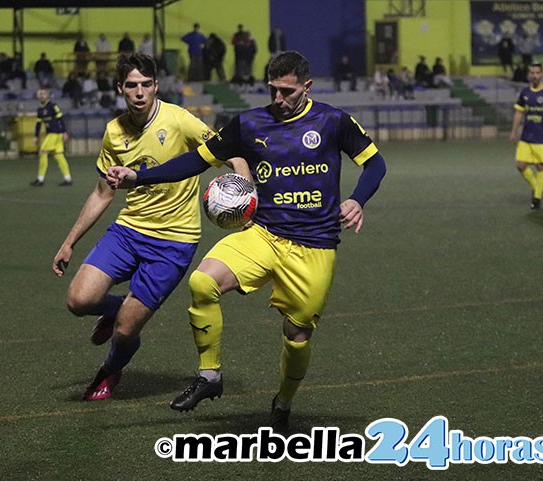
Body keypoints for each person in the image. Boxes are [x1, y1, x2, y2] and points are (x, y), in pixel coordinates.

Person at [107, 51, 387, 432]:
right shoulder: (250, 123)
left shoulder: (333, 121)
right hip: (263, 234)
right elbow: (196, 161)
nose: (278, 99)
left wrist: (357, 199)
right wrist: (138, 178)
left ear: (307, 87)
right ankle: (209, 376)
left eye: (287, 91)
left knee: (297, 336)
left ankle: (284, 402)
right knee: (202, 281)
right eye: (272, 90)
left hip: (315, 246)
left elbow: (375, 164)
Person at [51, 53, 228, 402]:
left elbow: (227, 149)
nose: (139, 92)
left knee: (126, 330)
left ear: (156, 86)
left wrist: (243, 180)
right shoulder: (114, 132)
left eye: (146, 84)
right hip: (129, 231)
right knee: (78, 299)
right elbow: (103, 192)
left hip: (174, 242)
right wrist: (69, 241)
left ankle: (109, 370)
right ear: (121, 89)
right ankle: (118, 306)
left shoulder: (179, 120)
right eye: (131, 85)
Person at [509, 63, 543, 210]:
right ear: (529, 75)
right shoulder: (525, 93)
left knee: (540, 167)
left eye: (537, 73)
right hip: (526, 136)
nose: (535, 75)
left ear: (541, 74)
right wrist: (513, 130)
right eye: (532, 73)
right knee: (520, 165)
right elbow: (519, 112)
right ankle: (538, 187)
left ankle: (536, 199)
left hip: (542, 137)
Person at [31, 88, 72, 187]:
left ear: (48, 95)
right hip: (53, 134)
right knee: (59, 155)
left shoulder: (53, 106)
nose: (41, 95)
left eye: (43, 93)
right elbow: (38, 124)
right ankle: (68, 178)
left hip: (54, 134)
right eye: (40, 94)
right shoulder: (40, 109)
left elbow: (61, 119)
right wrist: (36, 136)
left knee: (43, 152)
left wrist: (64, 132)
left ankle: (40, 179)